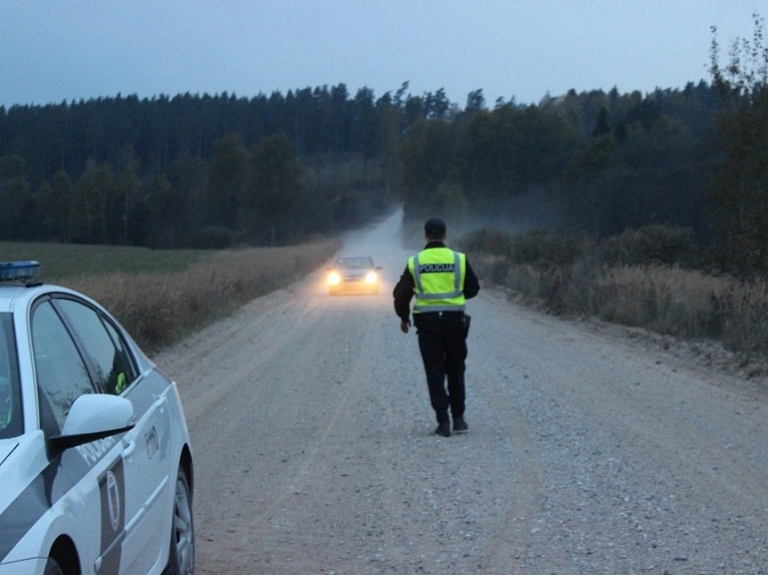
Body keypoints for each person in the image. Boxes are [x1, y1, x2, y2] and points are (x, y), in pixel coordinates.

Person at [393, 217, 480, 437]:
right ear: (445, 234)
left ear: (425, 235)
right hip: (454, 322)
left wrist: (404, 317)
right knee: (455, 368)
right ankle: (458, 419)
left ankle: (443, 421)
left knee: (434, 370)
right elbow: (473, 288)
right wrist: (456, 296)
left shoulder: (416, 262)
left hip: (427, 323)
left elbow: (400, 294)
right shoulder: (458, 259)